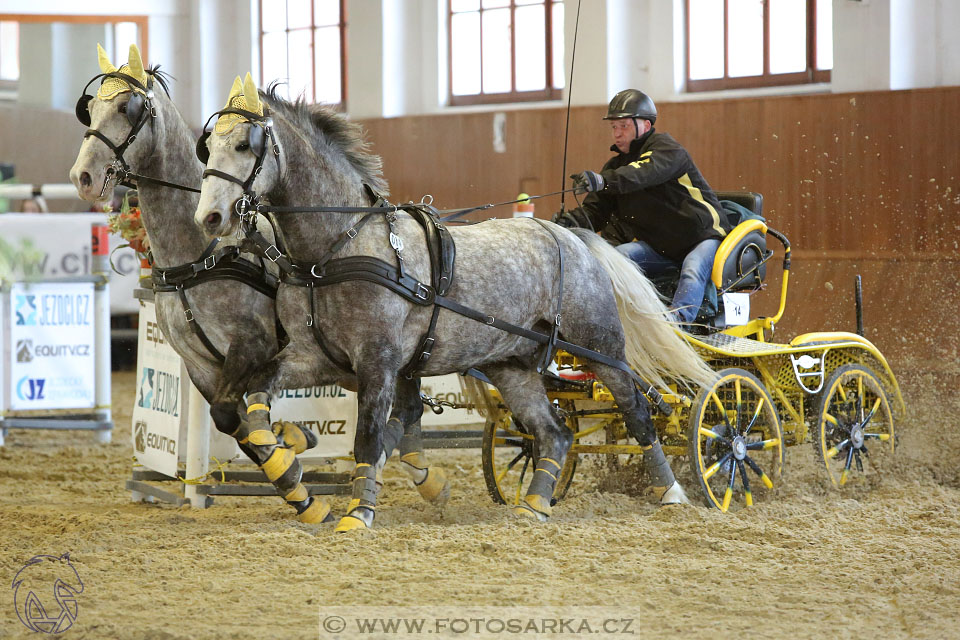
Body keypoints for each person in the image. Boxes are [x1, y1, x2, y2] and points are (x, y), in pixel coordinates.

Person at [554, 89, 732, 325]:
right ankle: (619, 320)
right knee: (617, 258)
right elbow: (595, 212)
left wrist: (603, 181)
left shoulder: (667, 150)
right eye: (614, 127)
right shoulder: (616, 166)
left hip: (703, 237)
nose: (617, 134)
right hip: (662, 248)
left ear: (645, 125)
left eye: (624, 126)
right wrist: (565, 225)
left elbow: (642, 173)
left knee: (693, 267)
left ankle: (676, 324)